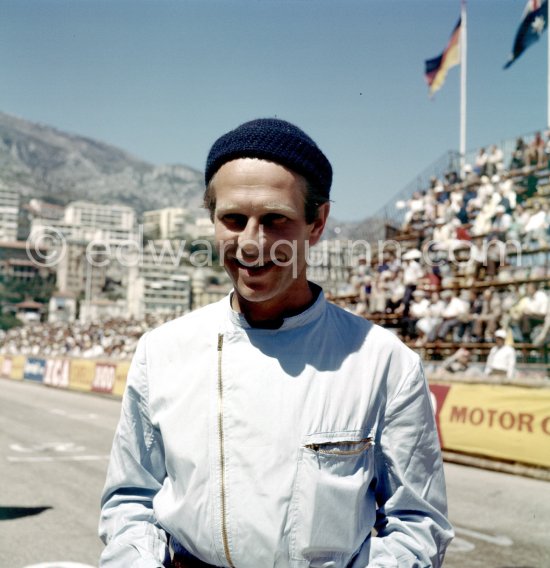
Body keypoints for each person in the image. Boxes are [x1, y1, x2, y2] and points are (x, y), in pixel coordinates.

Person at [98, 118, 453, 567]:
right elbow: (130, 500)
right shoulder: (162, 351)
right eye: (233, 219)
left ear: (317, 223)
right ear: (213, 221)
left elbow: (418, 524)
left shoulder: (385, 363)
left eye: (274, 220)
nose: (251, 242)